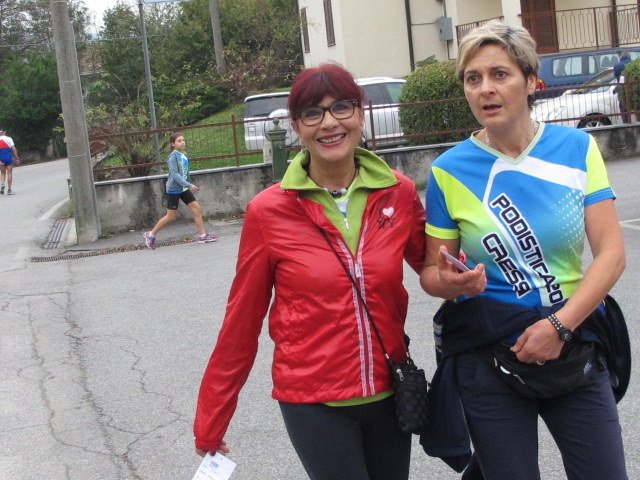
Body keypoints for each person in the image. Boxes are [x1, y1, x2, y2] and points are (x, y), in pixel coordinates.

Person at [193, 63, 426, 480]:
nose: (329, 122)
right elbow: (241, 321)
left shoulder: (399, 192)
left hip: (390, 390)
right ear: (297, 126)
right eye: (312, 113)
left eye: (341, 107)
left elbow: (437, 268)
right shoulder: (268, 211)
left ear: (360, 113)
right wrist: (212, 418)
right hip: (313, 400)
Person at [419, 20, 627, 480]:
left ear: (532, 81)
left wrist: (560, 325)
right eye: (473, 78)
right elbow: (431, 274)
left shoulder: (577, 149)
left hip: (571, 337)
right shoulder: (448, 171)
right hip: (489, 351)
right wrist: (451, 282)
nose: (485, 89)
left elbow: (612, 254)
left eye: (500, 74)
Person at [142, 132, 217, 249]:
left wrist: (186, 184)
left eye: (183, 140)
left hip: (183, 188)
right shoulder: (172, 157)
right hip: (173, 190)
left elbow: (184, 172)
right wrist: (189, 184)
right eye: (179, 141)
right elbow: (175, 174)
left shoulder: (184, 154)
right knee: (170, 216)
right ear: (173, 144)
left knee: (196, 208)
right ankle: (150, 235)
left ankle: (202, 236)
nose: (182, 142)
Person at [0, 127, 20, 195]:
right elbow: (14, 149)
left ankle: (2, 184)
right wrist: (16, 157)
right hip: (8, 158)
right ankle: (9, 190)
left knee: (2, 173)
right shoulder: (9, 138)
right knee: (9, 173)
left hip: (0, 159)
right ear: (5, 132)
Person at [614, 51, 632, 123]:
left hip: (622, 90)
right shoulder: (633, 64)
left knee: (623, 107)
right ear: (629, 56)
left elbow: (616, 77)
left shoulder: (616, 66)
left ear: (621, 57)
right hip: (633, 88)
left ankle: (626, 123)